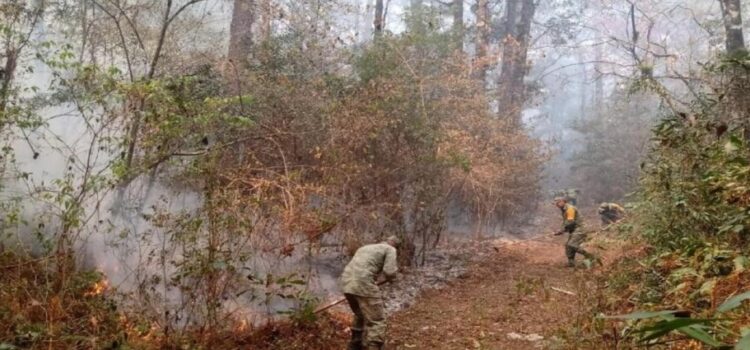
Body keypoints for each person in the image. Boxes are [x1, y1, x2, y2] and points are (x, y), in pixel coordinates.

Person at [340, 236, 400, 350]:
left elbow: (362, 267)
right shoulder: (390, 249)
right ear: (395, 245)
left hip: (346, 282)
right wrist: (394, 278)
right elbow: (390, 271)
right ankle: (373, 347)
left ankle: (354, 346)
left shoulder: (365, 247)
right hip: (363, 283)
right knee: (378, 320)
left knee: (360, 314)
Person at [552, 197, 599, 267]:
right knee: (568, 246)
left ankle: (591, 256)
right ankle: (571, 263)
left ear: (563, 202)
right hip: (574, 229)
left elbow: (570, 222)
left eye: (558, 202)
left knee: (572, 245)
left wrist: (561, 230)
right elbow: (566, 222)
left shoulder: (570, 209)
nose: (556, 205)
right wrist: (561, 230)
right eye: (556, 203)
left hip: (580, 229)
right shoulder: (564, 209)